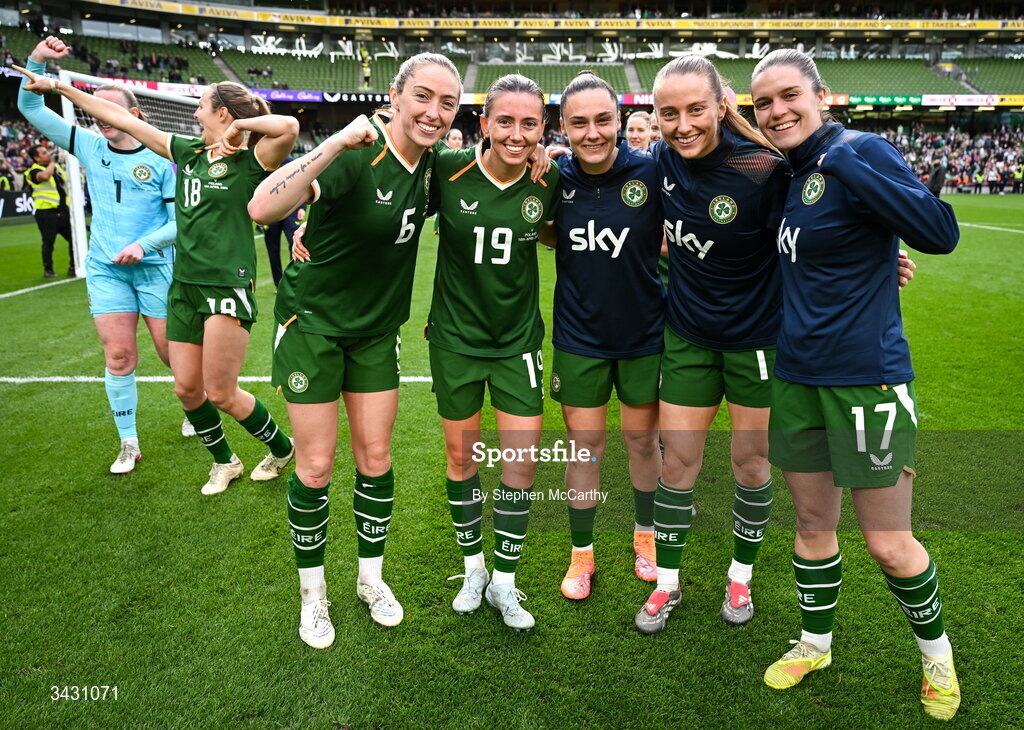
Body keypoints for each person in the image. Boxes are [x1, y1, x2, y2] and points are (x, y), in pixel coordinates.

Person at [750, 49, 960, 720]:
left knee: (888, 544)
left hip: (866, 382)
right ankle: (815, 643)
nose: (778, 110)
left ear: (821, 94)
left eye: (789, 96)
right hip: (797, 379)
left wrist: (852, 169)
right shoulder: (790, 174)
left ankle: (937, 656)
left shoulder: (856, 150)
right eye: (764, 103)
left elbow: (940, 232)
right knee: (812, 525)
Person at [247, 54, 463, 646]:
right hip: (312, 327)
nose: (434, 112)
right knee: (315, 467)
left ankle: (371, 579)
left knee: (375, 458)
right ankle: (313, 596)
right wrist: (337, 142)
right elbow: (263, 207)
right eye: (423, 97)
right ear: (394, 95)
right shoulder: (353, 156)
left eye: (447, 103)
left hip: (376, 333)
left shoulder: (435, 168)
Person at [18, 65, 299, 496]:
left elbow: (288, 127)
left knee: (222, 393)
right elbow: (122, 118)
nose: (194, 113)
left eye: (202, 106)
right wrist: (59, 87)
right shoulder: (186, 151)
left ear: (222, 113)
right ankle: (226, 462)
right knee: (187, 389)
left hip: (227, 285)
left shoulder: (250, 161)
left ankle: (281, 449)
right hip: (183, 286)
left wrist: (242, 125)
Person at [633, 55, 791, 636]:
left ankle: (740, 574)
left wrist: (877, 261)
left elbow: (812, 235)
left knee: (751, 465)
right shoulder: (660, 160)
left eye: (696, 109)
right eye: (668, 113)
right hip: (688, 340)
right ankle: (667, 584)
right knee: (678, 464)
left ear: (722, 106)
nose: (683, 124)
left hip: (756, 343)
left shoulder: (764, 170)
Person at [18, 36, 189, 474]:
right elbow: (32, 110)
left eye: (107, 109)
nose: (99, 117)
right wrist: (38, 61)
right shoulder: (89, 146)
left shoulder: (162, 156)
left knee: (173, 355)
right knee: (119, 357)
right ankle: (129, 443)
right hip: (106, 271)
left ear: (133, 115)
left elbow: (179, 223)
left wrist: (143, 245)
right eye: (94, 109)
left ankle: (195, 409)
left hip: (154, 270)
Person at [429, 74, 559, 631]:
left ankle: (505, 580)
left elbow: (557, 232)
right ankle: (473, 568)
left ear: (542, 129)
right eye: (504, 121)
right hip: (455, 341)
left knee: (521, 463)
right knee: (461, 459)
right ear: (483, 125)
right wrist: (308, 223)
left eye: (529, 124)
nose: (516, 133)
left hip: (516, 343)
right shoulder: (445, 171)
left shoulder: (548, 180)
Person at [543, 72, 664, 600]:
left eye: (602, 120)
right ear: (562, 127)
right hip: (579, 338)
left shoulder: (653, 170)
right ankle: (582, 554)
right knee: (584, 446)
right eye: (578, 122)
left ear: (620, 121)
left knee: (642, 441)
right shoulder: (550, 177)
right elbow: (538, 225)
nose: (591, 132)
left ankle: (646, 537)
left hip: (643, 334)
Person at [23, 142, 73, 278]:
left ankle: (74, 266)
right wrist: (52, 163)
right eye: (44, 153)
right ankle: (48, 269)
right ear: (36, 158)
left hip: (62, 211)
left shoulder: (56, 168)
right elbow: (44, 176)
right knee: (48, 242)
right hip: (46, 212)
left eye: (47, 151)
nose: (48, 154)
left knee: (73, 239)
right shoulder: (33, 171)